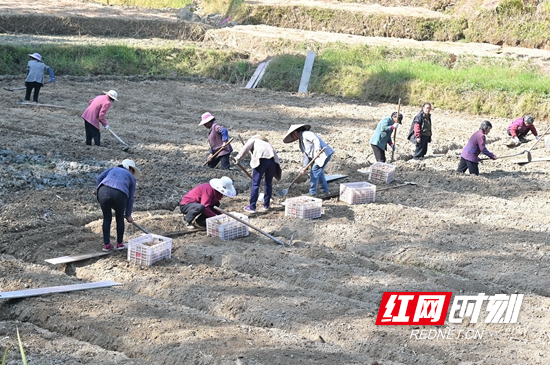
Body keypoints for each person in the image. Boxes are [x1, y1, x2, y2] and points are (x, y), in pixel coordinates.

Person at [96, 159, 141, 252]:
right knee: (119, 217)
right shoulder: (132, 178)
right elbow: (131, 198)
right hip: (120, 194)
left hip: (103, 191)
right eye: (132, 170)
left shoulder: (112, 169)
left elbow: (99, 178)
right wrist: (128, 214)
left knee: (107, 218)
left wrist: (98, 191)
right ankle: (120, 244)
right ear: (129, 168)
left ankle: (107, 245)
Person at [234, 135, 282, 212]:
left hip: (261, 161)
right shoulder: (267, 143)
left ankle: (252, 207)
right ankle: (266, 205)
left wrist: (237, 158)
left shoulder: (253, 139)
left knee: (255, 184)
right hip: (273, 162)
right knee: (268, 183)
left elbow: (245, 148)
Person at [283, 124, 334, 196]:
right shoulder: (301, 143)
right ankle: (325, 190)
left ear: (295, 132)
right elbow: (306, 155)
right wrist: (304, 167)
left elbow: (315, 140)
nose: (293, 137)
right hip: (316, 157)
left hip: (323, 154)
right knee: (319, 172)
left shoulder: (306, 134)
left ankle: (312, 192)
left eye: (292, 135)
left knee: (314, 171)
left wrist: (317, 150)